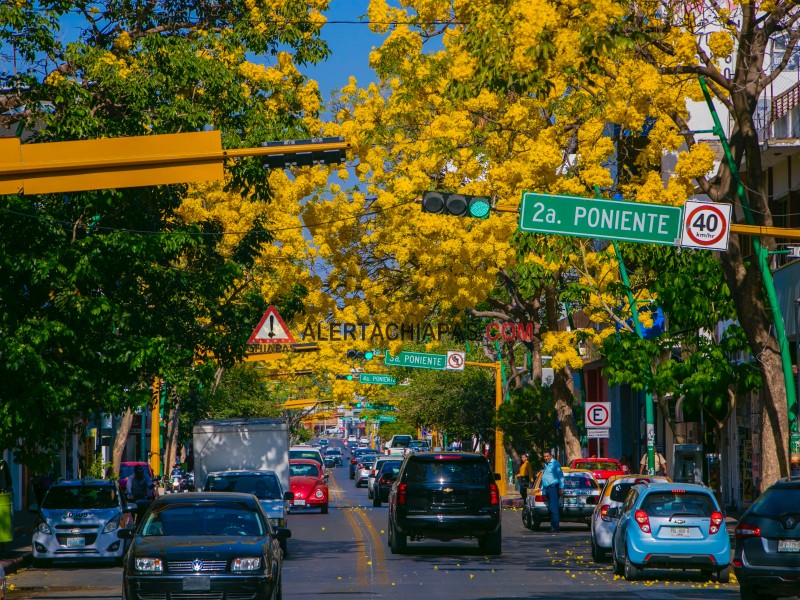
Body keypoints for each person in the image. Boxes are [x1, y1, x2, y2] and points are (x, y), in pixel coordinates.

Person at [541, 450, 564, 532]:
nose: (546, 458)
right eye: (545, 457)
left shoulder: (555, 464)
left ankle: (555, 527)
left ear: (551, 456)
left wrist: (561, 488)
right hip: (547, 488)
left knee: (554, 508)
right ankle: (553, 525)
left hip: (553, 488)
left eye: (547, 456)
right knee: (551, 508)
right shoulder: (546, 465)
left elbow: (560, 476)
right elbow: (546, 476)